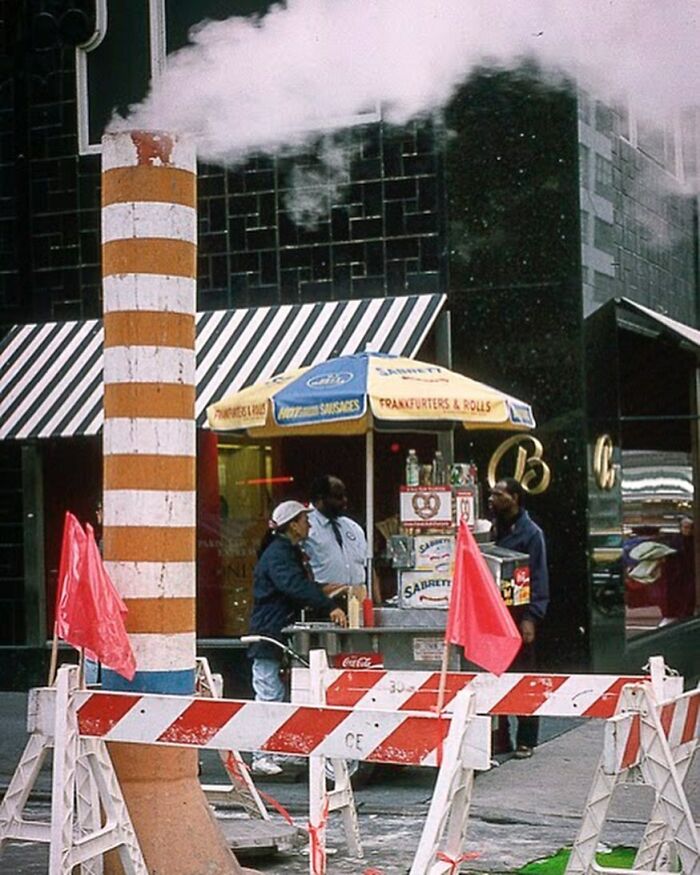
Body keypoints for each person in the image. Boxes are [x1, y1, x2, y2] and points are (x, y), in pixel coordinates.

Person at [248, 499, 347, 775]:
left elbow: (299, 585)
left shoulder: (286, 552)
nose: (309, 524)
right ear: (292, 525)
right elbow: (294, 586)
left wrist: (323, 589)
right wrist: (329, 605)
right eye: (304, 520)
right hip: (268, 631)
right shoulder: (279, 554)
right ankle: (260, 755)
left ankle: (279, 750)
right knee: (268, 693)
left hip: (276, 628)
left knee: (278, 693)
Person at [489, 477, 549, 759]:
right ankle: (501, 737)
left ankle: (526, 739)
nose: (492, 499)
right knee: (495, 675)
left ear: (514, 498)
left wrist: (532, 616)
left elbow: (539, 576)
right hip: (494, 614)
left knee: (523, 676)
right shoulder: (492, 528)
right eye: (492, 494)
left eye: (499, 494)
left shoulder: (531, 533)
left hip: (518, 613)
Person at [305, 475, 372, 599]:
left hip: (357, 599)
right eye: (338, 497)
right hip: (323, 601)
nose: (344, 501)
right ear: (320, 499)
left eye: (344, 495)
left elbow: (368, 567)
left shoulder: (352, 527)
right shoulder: (306, 527)